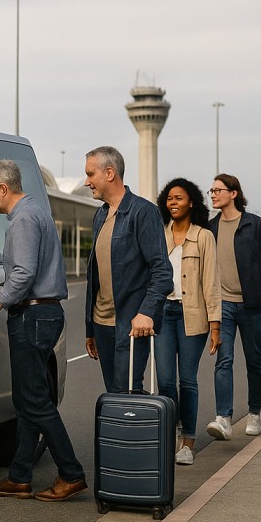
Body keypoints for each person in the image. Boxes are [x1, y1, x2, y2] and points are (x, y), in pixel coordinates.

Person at [0, 159, 86, 502]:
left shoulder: (23, 219)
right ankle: (20, 475)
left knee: (36, 401)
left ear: (4, 189)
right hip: (43, 314)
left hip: (34, 316)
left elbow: (23, 274)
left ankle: (71, 474)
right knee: (27, 400)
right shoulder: (35, 211)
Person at [83, 146, 173, 392]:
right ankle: (125, 430)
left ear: (109, 173)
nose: (86, 182)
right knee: (115, 393)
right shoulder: (100, 216)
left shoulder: (143, 212)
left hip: (132, 323)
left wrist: (146, 312)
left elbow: (162, 272)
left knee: (127, 390)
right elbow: (96, 277)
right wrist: (91, 328)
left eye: (91, 174)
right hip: (102, 324)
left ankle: (146, 428)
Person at [205, 174, 261, 440]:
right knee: (224, 360)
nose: (213, 194)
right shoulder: (211, 228)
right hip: (223, 304)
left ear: (234, 193)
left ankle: (254, 412)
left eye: (218, 190)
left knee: (253, 360)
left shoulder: (255, 225)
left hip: (252, 303)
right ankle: (224, 418)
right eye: (212, 190)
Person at [153, 178, 221, 466]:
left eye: (178, 198)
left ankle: (187, 442)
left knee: (188, 381)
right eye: (169, 198)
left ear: (191, 201)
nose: (173, 202)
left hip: (192, 315)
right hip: (163, 315)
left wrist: (215, 325)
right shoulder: (160, 235)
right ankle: (169, 437)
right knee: (166, 382)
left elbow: (211, 283)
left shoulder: (203, 237)